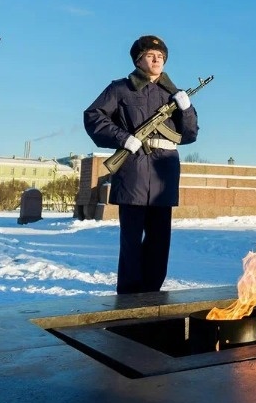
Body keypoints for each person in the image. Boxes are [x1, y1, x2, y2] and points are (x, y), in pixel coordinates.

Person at [83, 35, 199, 293]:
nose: (157, 59)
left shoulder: (173, 93)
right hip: (133, 171)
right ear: (138, 59)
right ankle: (128, 298)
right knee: (132, 243)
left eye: (161, 56)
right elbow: (93, 117)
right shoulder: (120, 89)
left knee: (160, 242)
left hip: (163, 176)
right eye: (150, 55)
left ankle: (152, 296)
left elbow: (189, 135)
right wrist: (123, 138)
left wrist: (187, 109)